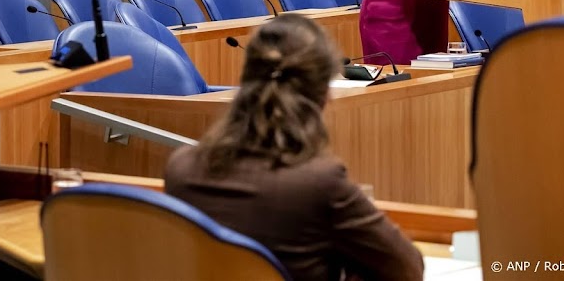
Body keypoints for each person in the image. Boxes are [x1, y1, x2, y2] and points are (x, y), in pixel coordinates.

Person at [165, 14, 423, 281]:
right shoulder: (319, 182)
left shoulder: (181, 168)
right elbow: (407, 269)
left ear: (245, 82)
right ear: (325, 94)